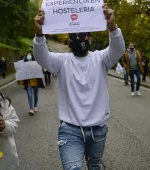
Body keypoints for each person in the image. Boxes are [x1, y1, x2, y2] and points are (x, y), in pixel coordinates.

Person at [34, 4, 125, 170]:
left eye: (82, 34)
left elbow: (118, 49)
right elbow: (42, 57)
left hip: (98, 129)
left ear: (90, 39)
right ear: (68, 42)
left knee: (95, 165)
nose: (78, 38)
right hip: (70, 129)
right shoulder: (62, 62)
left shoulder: (101, 59)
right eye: (73, 35)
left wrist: (112, 26)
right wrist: (39, 34)